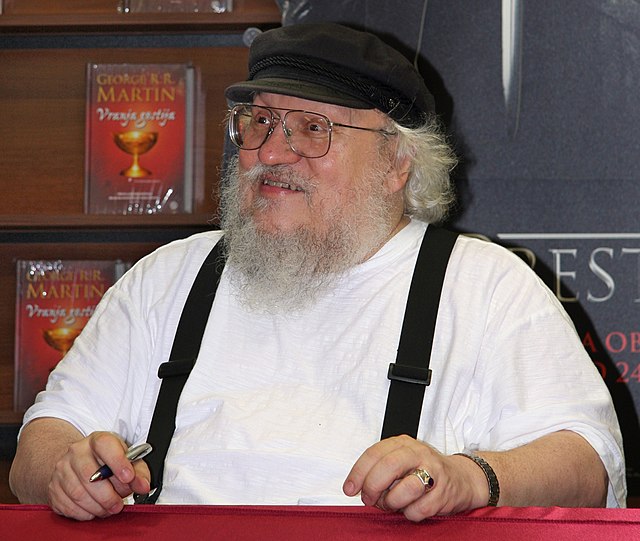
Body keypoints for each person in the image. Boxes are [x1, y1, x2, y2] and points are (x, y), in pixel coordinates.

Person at [10, 22, 625, 522]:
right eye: (259, 122)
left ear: (396, 164)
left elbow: (587, 465)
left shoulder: (487, 288)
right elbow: (40, 442)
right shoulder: (168, 278)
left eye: (314, 129)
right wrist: (68, 470)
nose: (271, 153)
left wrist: (471, 478)